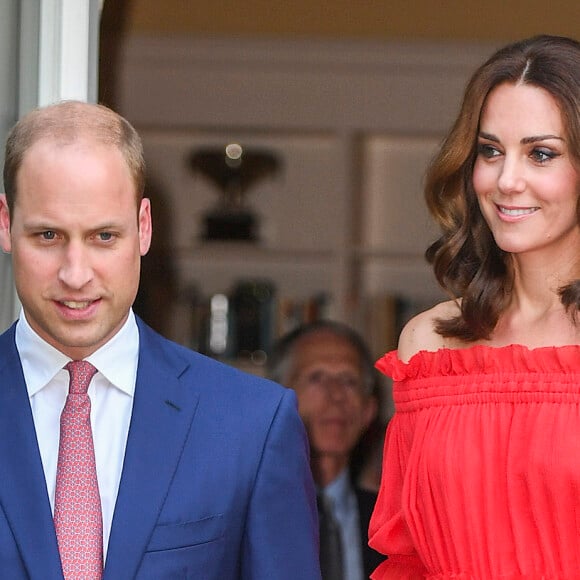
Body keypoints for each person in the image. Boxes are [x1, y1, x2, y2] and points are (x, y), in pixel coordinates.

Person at [0, 100, 321, 579]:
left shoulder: (251, 426)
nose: (76, 273)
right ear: (5, 224)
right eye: (48, 236)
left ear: (143, 227)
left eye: (104, 236)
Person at [368, 34, 580, 579]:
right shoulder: (429, 343)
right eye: (490, 151)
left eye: (542, 153)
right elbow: (408, 557)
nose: (507, 181)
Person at [269, 320, 386, 580]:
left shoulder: (393, 525)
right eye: (316, 378)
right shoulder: (245, 519)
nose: (335, 395)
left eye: (349, 381)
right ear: (277, 401)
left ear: (368, 411)